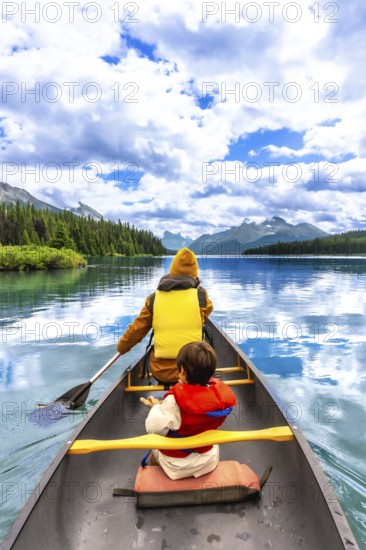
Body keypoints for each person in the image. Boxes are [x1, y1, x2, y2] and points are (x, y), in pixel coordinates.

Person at [140, 341, 237, 480]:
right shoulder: (218, 401)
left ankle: (156, 470)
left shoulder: (173, 401)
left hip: (176, 466)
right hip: (208, 461)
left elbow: (153, 429)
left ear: (183, 372)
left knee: (155, 445)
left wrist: (156, 408)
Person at [117, 248, 213, 383]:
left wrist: (122, 347)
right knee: (206, 340)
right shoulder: (201, 296)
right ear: (195, 273)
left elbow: (137, 329)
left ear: (172, 271)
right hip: (196, 372)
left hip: (162, 372)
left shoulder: (153, 299)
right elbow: (208, 310)